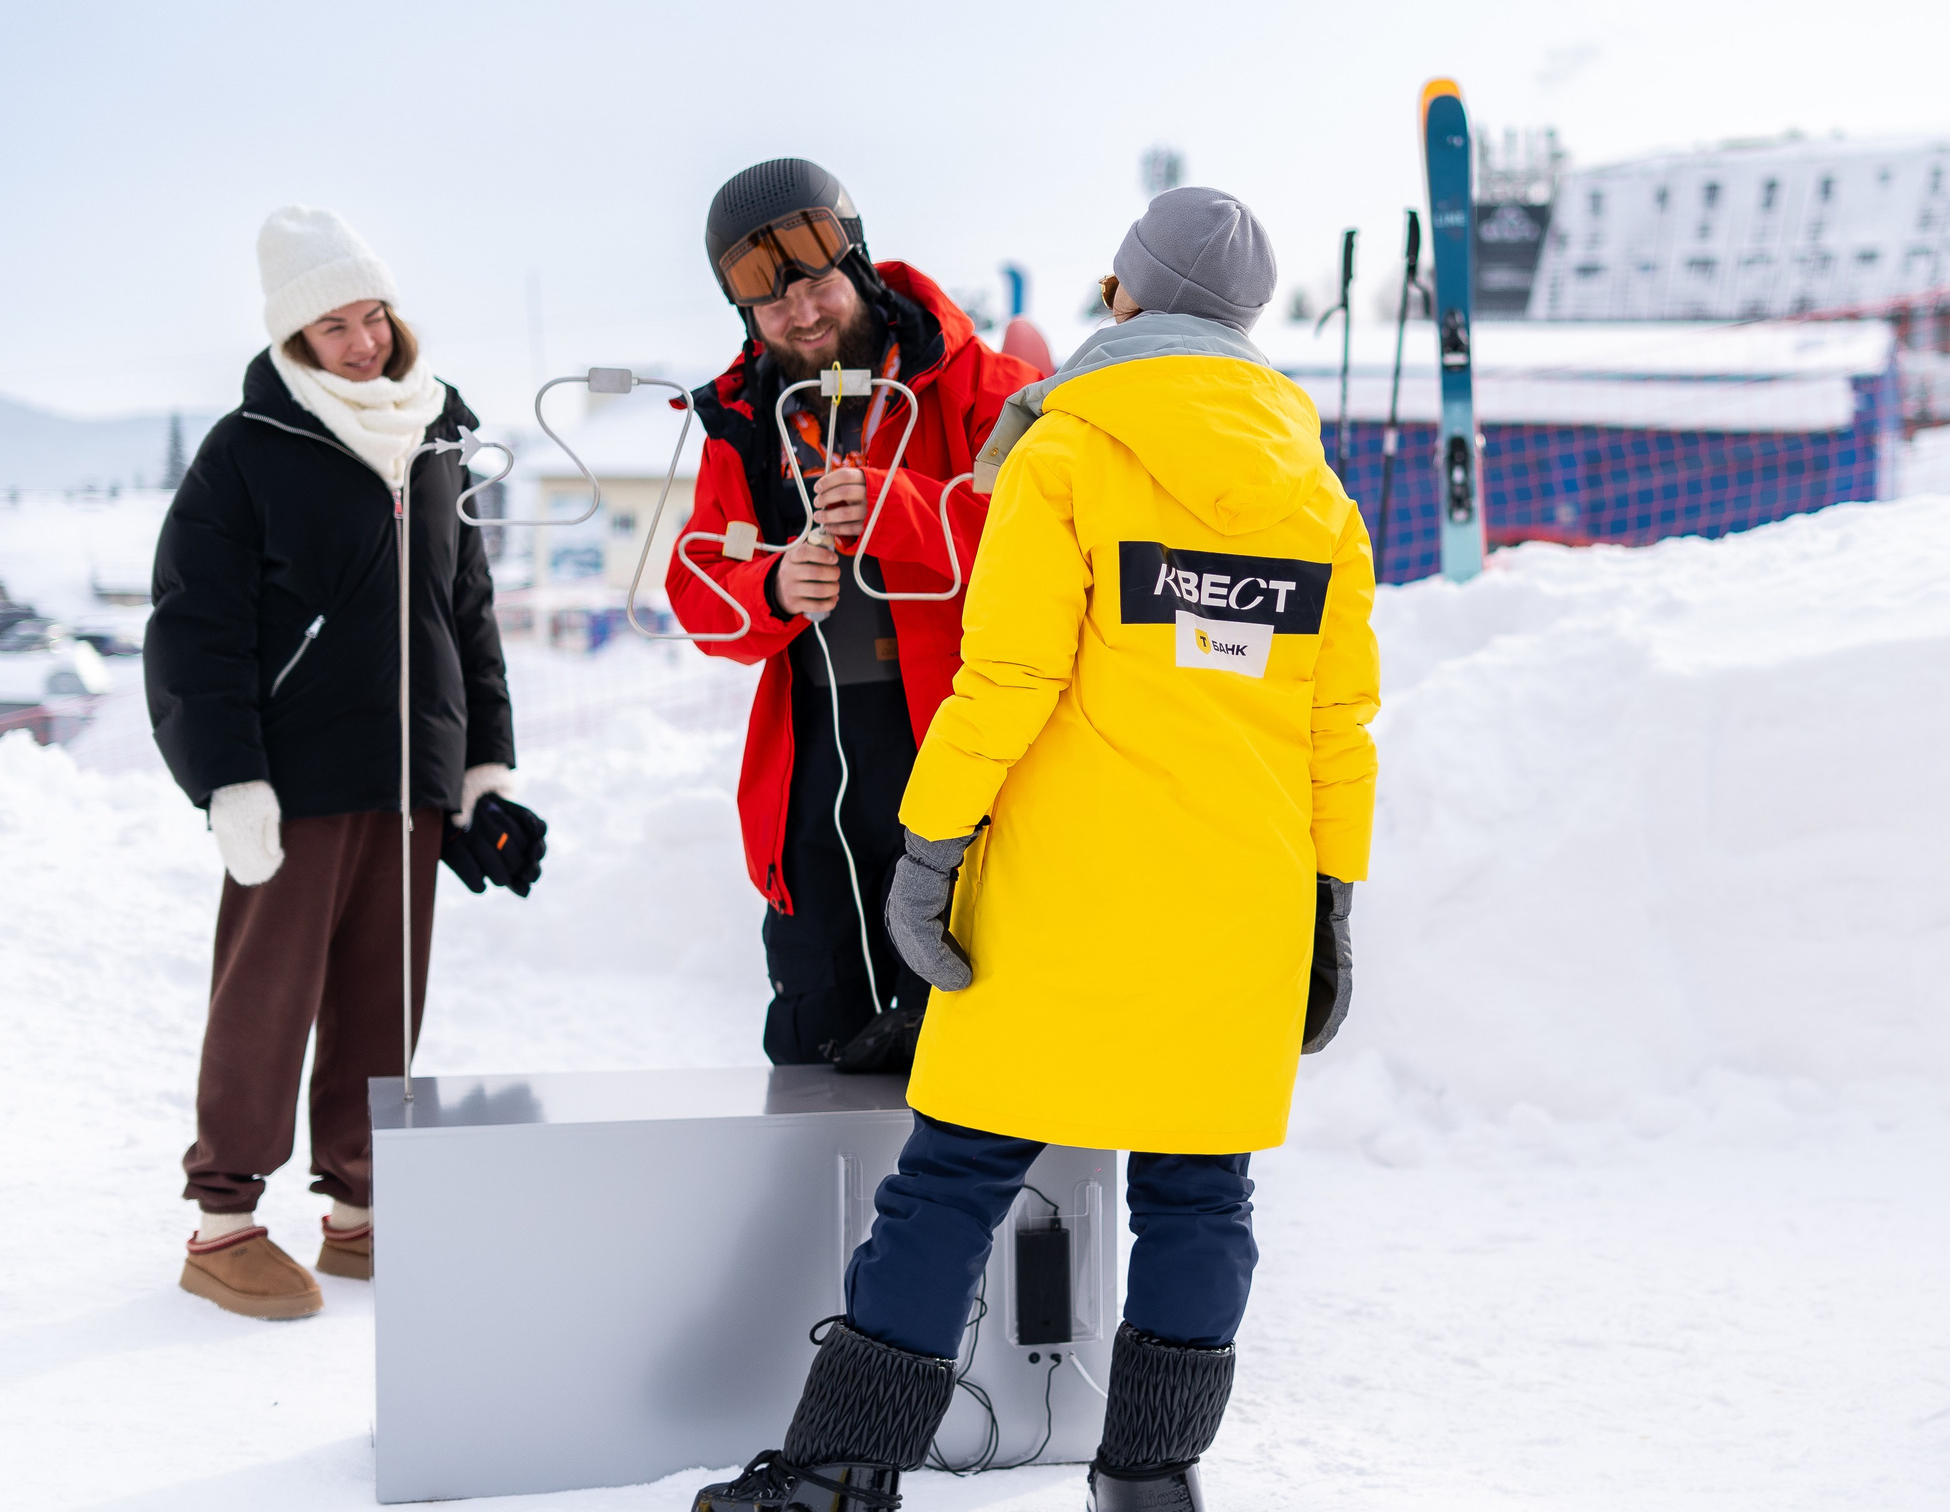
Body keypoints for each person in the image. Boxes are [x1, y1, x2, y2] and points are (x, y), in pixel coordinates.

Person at [692, 187, 1378, 1512]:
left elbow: (1005, 679)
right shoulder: (1318, 497)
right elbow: (1335, 727)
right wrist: (1329, 901)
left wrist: (930, 848)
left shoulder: (1064, 453)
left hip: (1063, 888)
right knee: (1200, 1193)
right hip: (1238, 898)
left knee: (953, 1176)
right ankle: (1151, 1480)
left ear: (1124, 295)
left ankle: (841, 1473)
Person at [146, 206, 539, 1320]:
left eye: (374, 316)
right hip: (296, 779)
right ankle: (222, 1222)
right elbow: (194, 628)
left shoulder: (437, 434)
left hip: (415, 776)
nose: (364, 343)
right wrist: (229, 778)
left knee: (384, 997)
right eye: (335, 327)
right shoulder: (249, 451)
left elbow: (467, 612)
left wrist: (486, 768)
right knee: (266, 998)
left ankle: (360, 1211)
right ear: (293, 336)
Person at [668, 159, 1041, 1076]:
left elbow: (1041, 539)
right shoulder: (744, 420)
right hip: (810, 758)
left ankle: (955, 1171)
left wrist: (897, 506)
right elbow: (696, 584)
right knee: (814, 1024)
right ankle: (820, 1177)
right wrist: (771, 587)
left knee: (959, 1017)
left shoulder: (979, 384)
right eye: (770, 301)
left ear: (860, 264)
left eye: (817, 284)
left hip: (951, 743)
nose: (801, 314)